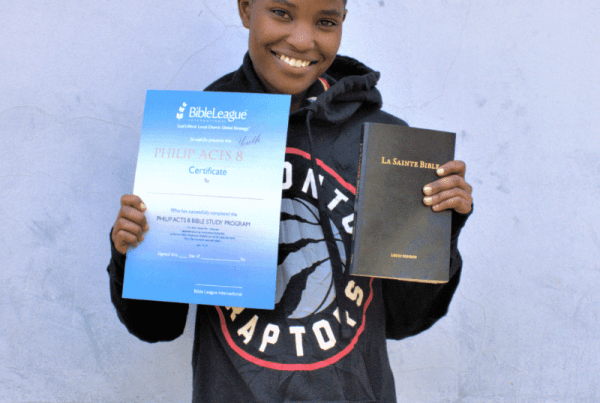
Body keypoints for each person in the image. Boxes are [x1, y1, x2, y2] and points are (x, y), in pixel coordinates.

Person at [107, 0, 473, 401]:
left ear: (342, 22)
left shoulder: (386, 143)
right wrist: (131, 251)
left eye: (325, 21)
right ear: (246, 8)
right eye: (282, 12)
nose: (301, 39)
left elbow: (406, 321)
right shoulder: (200, 128)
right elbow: (157, 326)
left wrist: (439, 229)